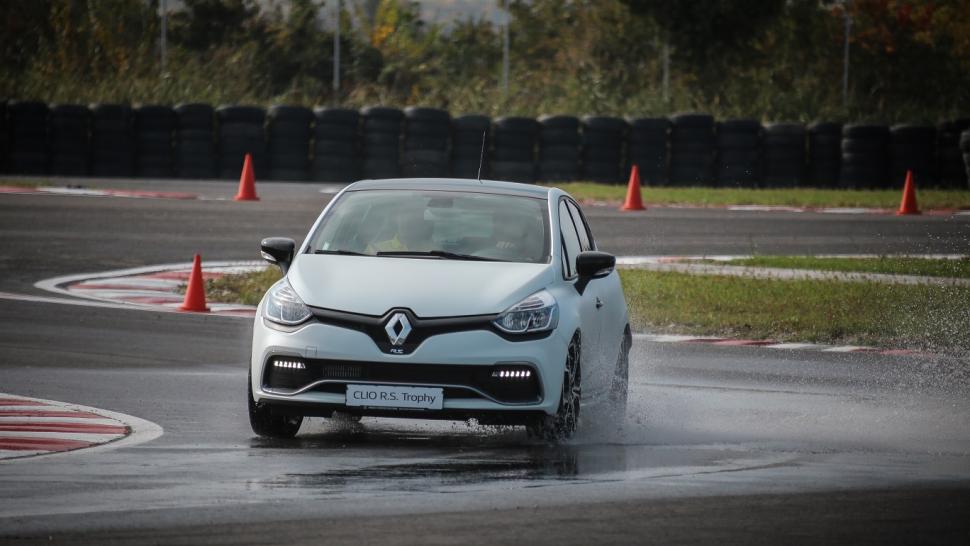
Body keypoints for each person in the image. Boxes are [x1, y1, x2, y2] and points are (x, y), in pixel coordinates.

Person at [367, 207, 433, 253]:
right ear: (396, 223)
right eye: (403, 221)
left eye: (411, 221)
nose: (407, 222)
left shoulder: (432, 250)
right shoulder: (374, 249)